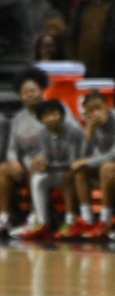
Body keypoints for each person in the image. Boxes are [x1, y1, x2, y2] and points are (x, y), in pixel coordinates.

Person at [65, 93, 115, 240]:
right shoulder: (93, 126)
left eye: (98, 108)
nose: (95, 113)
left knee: (106, 167)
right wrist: (88, 134)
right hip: (110, 164)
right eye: (90, 111)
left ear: (107, 106)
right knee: (79, 171)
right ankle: (87, 219)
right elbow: (83, 157)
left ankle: (106, 220)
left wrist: (88, 162)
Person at [18, 100, 86, 241]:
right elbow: (48, 159)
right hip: (59, 170)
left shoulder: (73, 131)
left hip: (79, 172)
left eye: (54, 114)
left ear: (61, 115)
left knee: (68, 176)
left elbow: (73, 162)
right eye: (46, 116)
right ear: (41, 120)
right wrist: (41, 165)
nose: (51, 118)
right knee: (37, 178)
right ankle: (42, 222)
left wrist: (50, 166)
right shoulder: (43, 133)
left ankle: (71, 221)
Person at [0, 67, 48, 236]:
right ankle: (4, 217)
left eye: (32, 91)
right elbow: (12, 148)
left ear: (42, 90)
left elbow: (66, 138)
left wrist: (45, 157)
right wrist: (13, 161)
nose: (29, 95)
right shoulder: (19, 118)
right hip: (26, 161)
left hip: (51, 161)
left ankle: (36, 217)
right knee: (3, 169)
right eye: (24, 93)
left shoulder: (55, 110)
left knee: (35, 169)